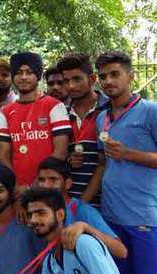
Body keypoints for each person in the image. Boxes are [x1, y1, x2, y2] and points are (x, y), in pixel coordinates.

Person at [94, 51, 157, 274]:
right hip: (111, 217)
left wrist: (129, 154)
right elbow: (101, 165)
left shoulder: (150, 111)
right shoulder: (101, 119)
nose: (108, 81)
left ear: (130, 76)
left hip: (143, 217)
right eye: (103, 76)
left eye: (115, 74)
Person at [3, 188, 125, 274]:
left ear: (60, 215)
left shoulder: (82, 243)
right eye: (30, 214)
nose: (33, 220)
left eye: (41, 213)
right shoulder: (51, 260)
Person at [0, 52, 72, 193]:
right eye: (19, 73)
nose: (24, 77)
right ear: (13, 77)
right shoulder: (5, 111)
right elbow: (3, 156)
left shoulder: (54, 106)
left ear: (37, 75)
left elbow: (61, 152)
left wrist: (33, 186)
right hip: (17, 191)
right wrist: (16, 186)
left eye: (29, 72)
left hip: (49, 190)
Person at [36, 157, 126, 259]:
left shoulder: (82, 211)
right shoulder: (36, 214)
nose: (46, 185)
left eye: (53, 180)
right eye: (41, 180)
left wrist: (86, 227)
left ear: (68, 184)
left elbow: (121, 251)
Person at [57, 53, 109, 208]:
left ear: (92, 79)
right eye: (66, 81)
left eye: (77, 79)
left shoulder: (110, 109)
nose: (71, 86)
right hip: (71, 203)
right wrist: (68, 160)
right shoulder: (61, 114)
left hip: (109, 203)